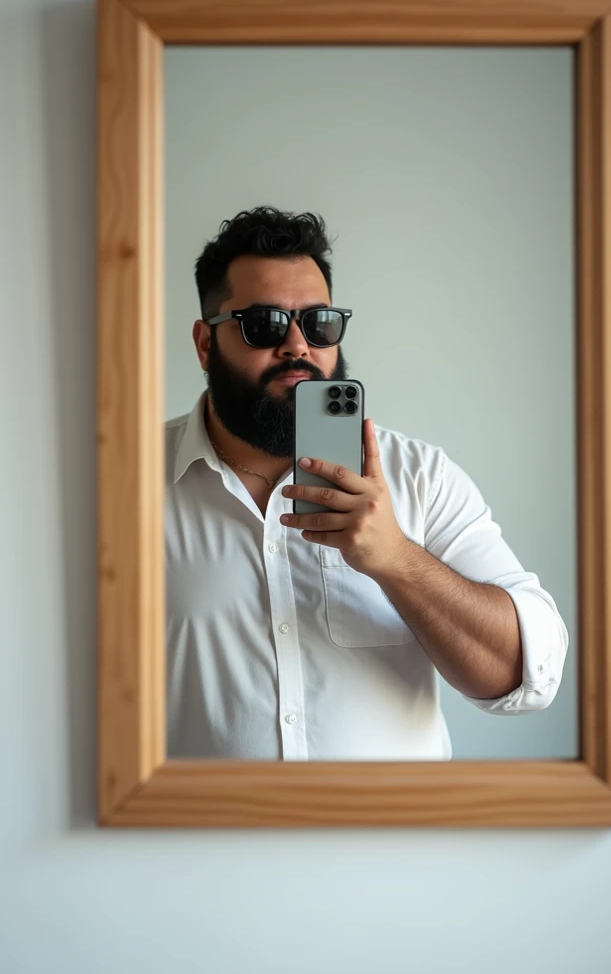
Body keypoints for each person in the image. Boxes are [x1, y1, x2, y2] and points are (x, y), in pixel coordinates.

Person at [165, 206, 569, 760]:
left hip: (393, 844)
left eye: (318, 322)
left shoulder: (419, 477)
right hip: (191, 843)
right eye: (264, 324)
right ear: (205, 343)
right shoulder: (129, 484)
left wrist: (397, 559)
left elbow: (524, 676)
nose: (297, 347)